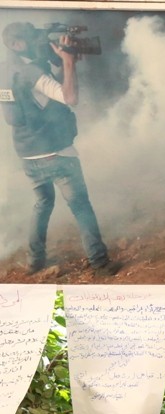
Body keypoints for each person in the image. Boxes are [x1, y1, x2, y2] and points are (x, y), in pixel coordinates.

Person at [0, 22, 118, 276]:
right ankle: (100, 263)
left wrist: (60, 61)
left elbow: (35, 95)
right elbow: (69, 97)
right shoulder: (30, 73)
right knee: (80, 205)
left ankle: (35, 261)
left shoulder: (6, 69)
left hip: (27, 155)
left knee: (42, 203)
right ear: (17, 44)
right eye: (32, 37)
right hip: (56, 154)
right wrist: (68, 62)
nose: (39, 41)